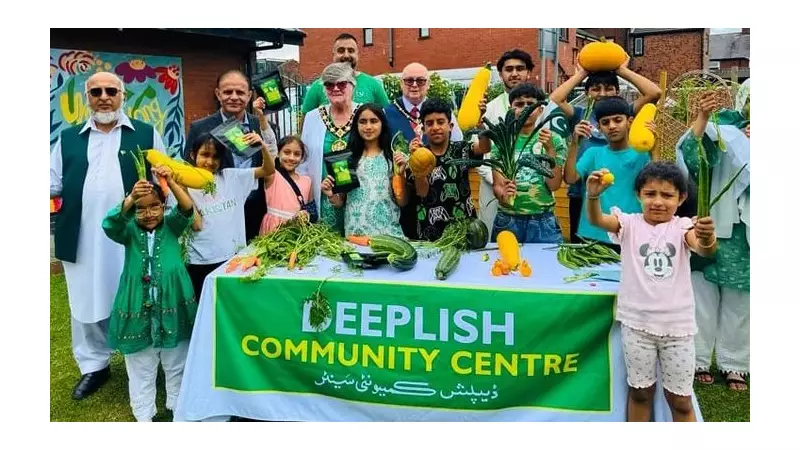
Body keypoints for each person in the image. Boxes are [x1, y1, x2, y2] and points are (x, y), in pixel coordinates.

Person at [50, 71, 167, 400]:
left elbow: (164, 181)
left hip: (131, 236)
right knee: (86, 300)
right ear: (87, 98)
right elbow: (51, 181)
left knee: (140, 296)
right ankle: (94, 366)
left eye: (111, 91)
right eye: (96, 91)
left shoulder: (145, 133)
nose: (104, 97)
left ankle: (145, 359)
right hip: (83, 234)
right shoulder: (69, 138)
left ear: (122, 95)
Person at [586, 161, 717, 422]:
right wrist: (593, 196)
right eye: (650, 194)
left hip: (677, 329)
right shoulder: (629, 225)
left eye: (667, 195)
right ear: (639, 195)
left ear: (682, 198)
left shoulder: (682, 227)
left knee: (680, 400)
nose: (658, 202)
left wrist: (707, 237)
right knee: (640, 393)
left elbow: (704, 249)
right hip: (636, 326)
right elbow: (597, 219)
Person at [101, 168, 196, 422]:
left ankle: (178, 406)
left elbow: (187, 209)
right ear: (133, 211)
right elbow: (109, 224)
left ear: (163, 206)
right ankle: (144, 414)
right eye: (141, 209)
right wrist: (131, 198)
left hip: (173, 302)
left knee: (176, 360)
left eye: (155, 207)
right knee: (141, 365)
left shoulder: (171, 226)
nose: (149, 213)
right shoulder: (128, 230)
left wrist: (171, 184)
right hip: (137, 307)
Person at [676, 92, 750, 391]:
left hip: (747, 232)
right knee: (702, 299)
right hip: (711, 224)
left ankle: (735, 364)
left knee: (740, 302)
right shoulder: (722, 128)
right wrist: (704, 119)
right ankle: (698, 360)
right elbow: (692, 159)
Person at [550, 57, 662, 243]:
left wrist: (621, 70)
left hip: (626, 207)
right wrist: (583, 73)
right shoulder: (579, 114)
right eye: (595, 89)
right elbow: (555, 99)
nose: (603, 93)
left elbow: (655, 93)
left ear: (628, 121)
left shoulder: (625, 110)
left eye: (609, 88)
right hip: (583, 192)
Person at [183, 69, 279, 241]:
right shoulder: (201, 128)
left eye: (240, 92)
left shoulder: (263, 126)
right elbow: (187, 168)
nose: (234, 97)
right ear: (218, 94)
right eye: (228, 92)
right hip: (217, 210)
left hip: (256, 208)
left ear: (249, 95)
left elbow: (272, 165)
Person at [180, 131, 275, 297]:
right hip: (199, 261)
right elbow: (196, 224)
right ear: (193, 155)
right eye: (204, 155)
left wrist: (262, 146)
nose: (209, 161)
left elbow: (268, 169)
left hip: (234, 259)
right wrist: (181, 188)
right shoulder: (183, 186)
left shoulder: (232, 177)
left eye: (215, 157)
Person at [563, 96, 659, 251]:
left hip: (629, 232)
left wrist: (655, 148)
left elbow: (656, 185)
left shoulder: (642, 154)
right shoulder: (593, 153)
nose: (612, 126)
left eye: (617, 120)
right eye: (605, 122)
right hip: (592, 233)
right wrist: (574, 143)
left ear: (629, 121)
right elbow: (570, 178)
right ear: (599, 128)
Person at [394, 98, 491, 241]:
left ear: (450, 126)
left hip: (464, 230)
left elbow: (484, 147)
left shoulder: (462, 149)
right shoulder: (416, 157)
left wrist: (481, 125)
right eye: (429, 123)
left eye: (440, 122)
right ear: (423, 129)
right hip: (430, 231)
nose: (435, 127)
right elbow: (422, 192)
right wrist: (417, 162)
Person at [384, 62, 463, 238]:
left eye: (420, 80)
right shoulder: (386, 113)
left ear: (428, 84)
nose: (414, 85)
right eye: (409, 80)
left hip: (437, 195)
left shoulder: (442, 112)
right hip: (401, 194)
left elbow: (457, 145)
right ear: (400, 83)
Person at [490, 83, 567, 243]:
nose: (525, 108)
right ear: (511, 109)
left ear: (540, 109)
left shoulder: (553, 139)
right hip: (508, 219)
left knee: (547, 266)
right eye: (519, 104)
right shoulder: (502, 140)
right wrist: (502, 195)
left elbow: (553, 185)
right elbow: (498, 185)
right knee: (504, 266)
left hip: (543, 220)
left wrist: (550, 150)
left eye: (531, 104)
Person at [322, 104, 404, 237]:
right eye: (363, 122)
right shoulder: (346, 160)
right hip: (356, 236)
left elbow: (402, 201)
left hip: (389, 236)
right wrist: (331, 194)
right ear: (356, 126)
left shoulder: (392, 158)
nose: (368, 127)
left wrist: (400, 175)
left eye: (374, 121)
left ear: (382, 124)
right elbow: (340, 202)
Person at [299, 62, 361, 235]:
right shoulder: (312, 117)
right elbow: (303, 162)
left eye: (341, 84)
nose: (335, 88)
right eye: (329, 84)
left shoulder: (365, 114)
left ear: (352, 85)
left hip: (358, 196)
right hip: (325, 196)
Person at [477, 49, 534, 232]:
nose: (515, 73)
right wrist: (498, 181)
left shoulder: (540, 107)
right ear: (501, 74)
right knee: (492, 241)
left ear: (528, 72)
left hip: (532, 187)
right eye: (509, 69)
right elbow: (480, 151)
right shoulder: (488, 109)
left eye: (520, 68)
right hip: (492, 186)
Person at [301, 33, 390, 117]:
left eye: (351, 50)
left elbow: (388, 118)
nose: (346, 55)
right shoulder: (318, 86)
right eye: (341, 50)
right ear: (333, 54)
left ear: (357, 54)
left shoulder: (373, 84)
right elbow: (306, 126)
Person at [259, 136, 315, 234]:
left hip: (296, 231)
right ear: (278, 153)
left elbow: (311, 209)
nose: (291, 158)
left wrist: (306, 215)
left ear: (302, 158)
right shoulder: (272, 175)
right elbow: (269, 148)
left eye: (297, 154)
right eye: (287, 152)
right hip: (273, 230)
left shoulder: (307, 181)